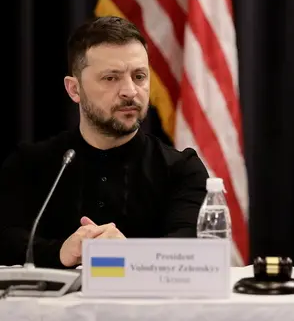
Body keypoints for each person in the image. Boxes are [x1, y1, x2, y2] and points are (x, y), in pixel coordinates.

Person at [0, 16, 209, 268]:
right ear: (74, 89)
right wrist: (60, 252)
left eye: (139, 76)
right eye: (111, 78)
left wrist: (129, 253)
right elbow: (7, 238)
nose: (130, 91)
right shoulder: (29, 164)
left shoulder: (182, 169)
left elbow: (194, 248)